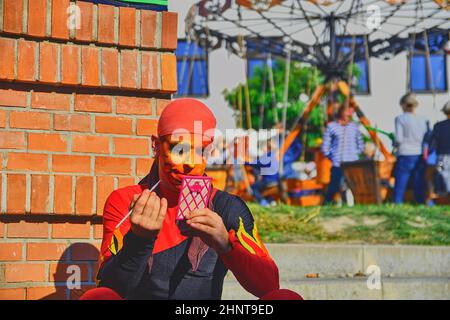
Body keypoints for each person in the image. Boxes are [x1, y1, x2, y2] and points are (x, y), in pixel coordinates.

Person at [80, 98, 302, 300]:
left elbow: (270, 286)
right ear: (156, 146)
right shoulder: (127, 201)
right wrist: (139, 240)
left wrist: (226, 245)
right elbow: (107, 287)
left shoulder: (227, 208)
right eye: (179, 149)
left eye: (200, 152)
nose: (189, 162)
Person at [321, 104, 365, 205]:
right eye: (347, 111)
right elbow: (325, 146)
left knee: (353, 186)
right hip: (338, 163)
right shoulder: (331, 126)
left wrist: (356, 154)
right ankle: (326, 205)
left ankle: (354, 205)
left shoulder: (354, 127)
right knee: (334, 187)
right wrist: (332, 156)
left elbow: (360, 143)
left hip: (352, 162)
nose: (349, 114)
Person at [393, 93, 430, 204]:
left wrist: (393, 142)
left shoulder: (400, 119)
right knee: (418, 180)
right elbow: (428, 138)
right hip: (419, 153)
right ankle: (420, 202)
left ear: (404, 105)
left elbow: (399, 139)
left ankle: (398, 202)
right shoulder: (424, 119)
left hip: (405, 152)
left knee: (401, 180)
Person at [429, 101, 450, 197]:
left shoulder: (438, 126)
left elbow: (433, 144)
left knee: (443, 176)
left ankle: (444, 196)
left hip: (442, 156)